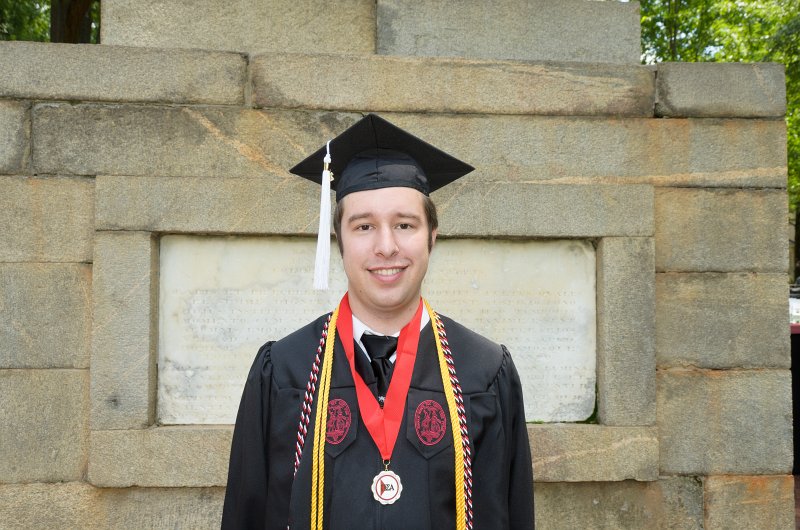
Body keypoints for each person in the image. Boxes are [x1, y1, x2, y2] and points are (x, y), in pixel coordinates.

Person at [221, 114, 535, 530]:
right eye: (364, 226)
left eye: (404, 225)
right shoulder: (284, 370)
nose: (386, 247)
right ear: (339, 239)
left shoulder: (484, 370)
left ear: (432, 236)